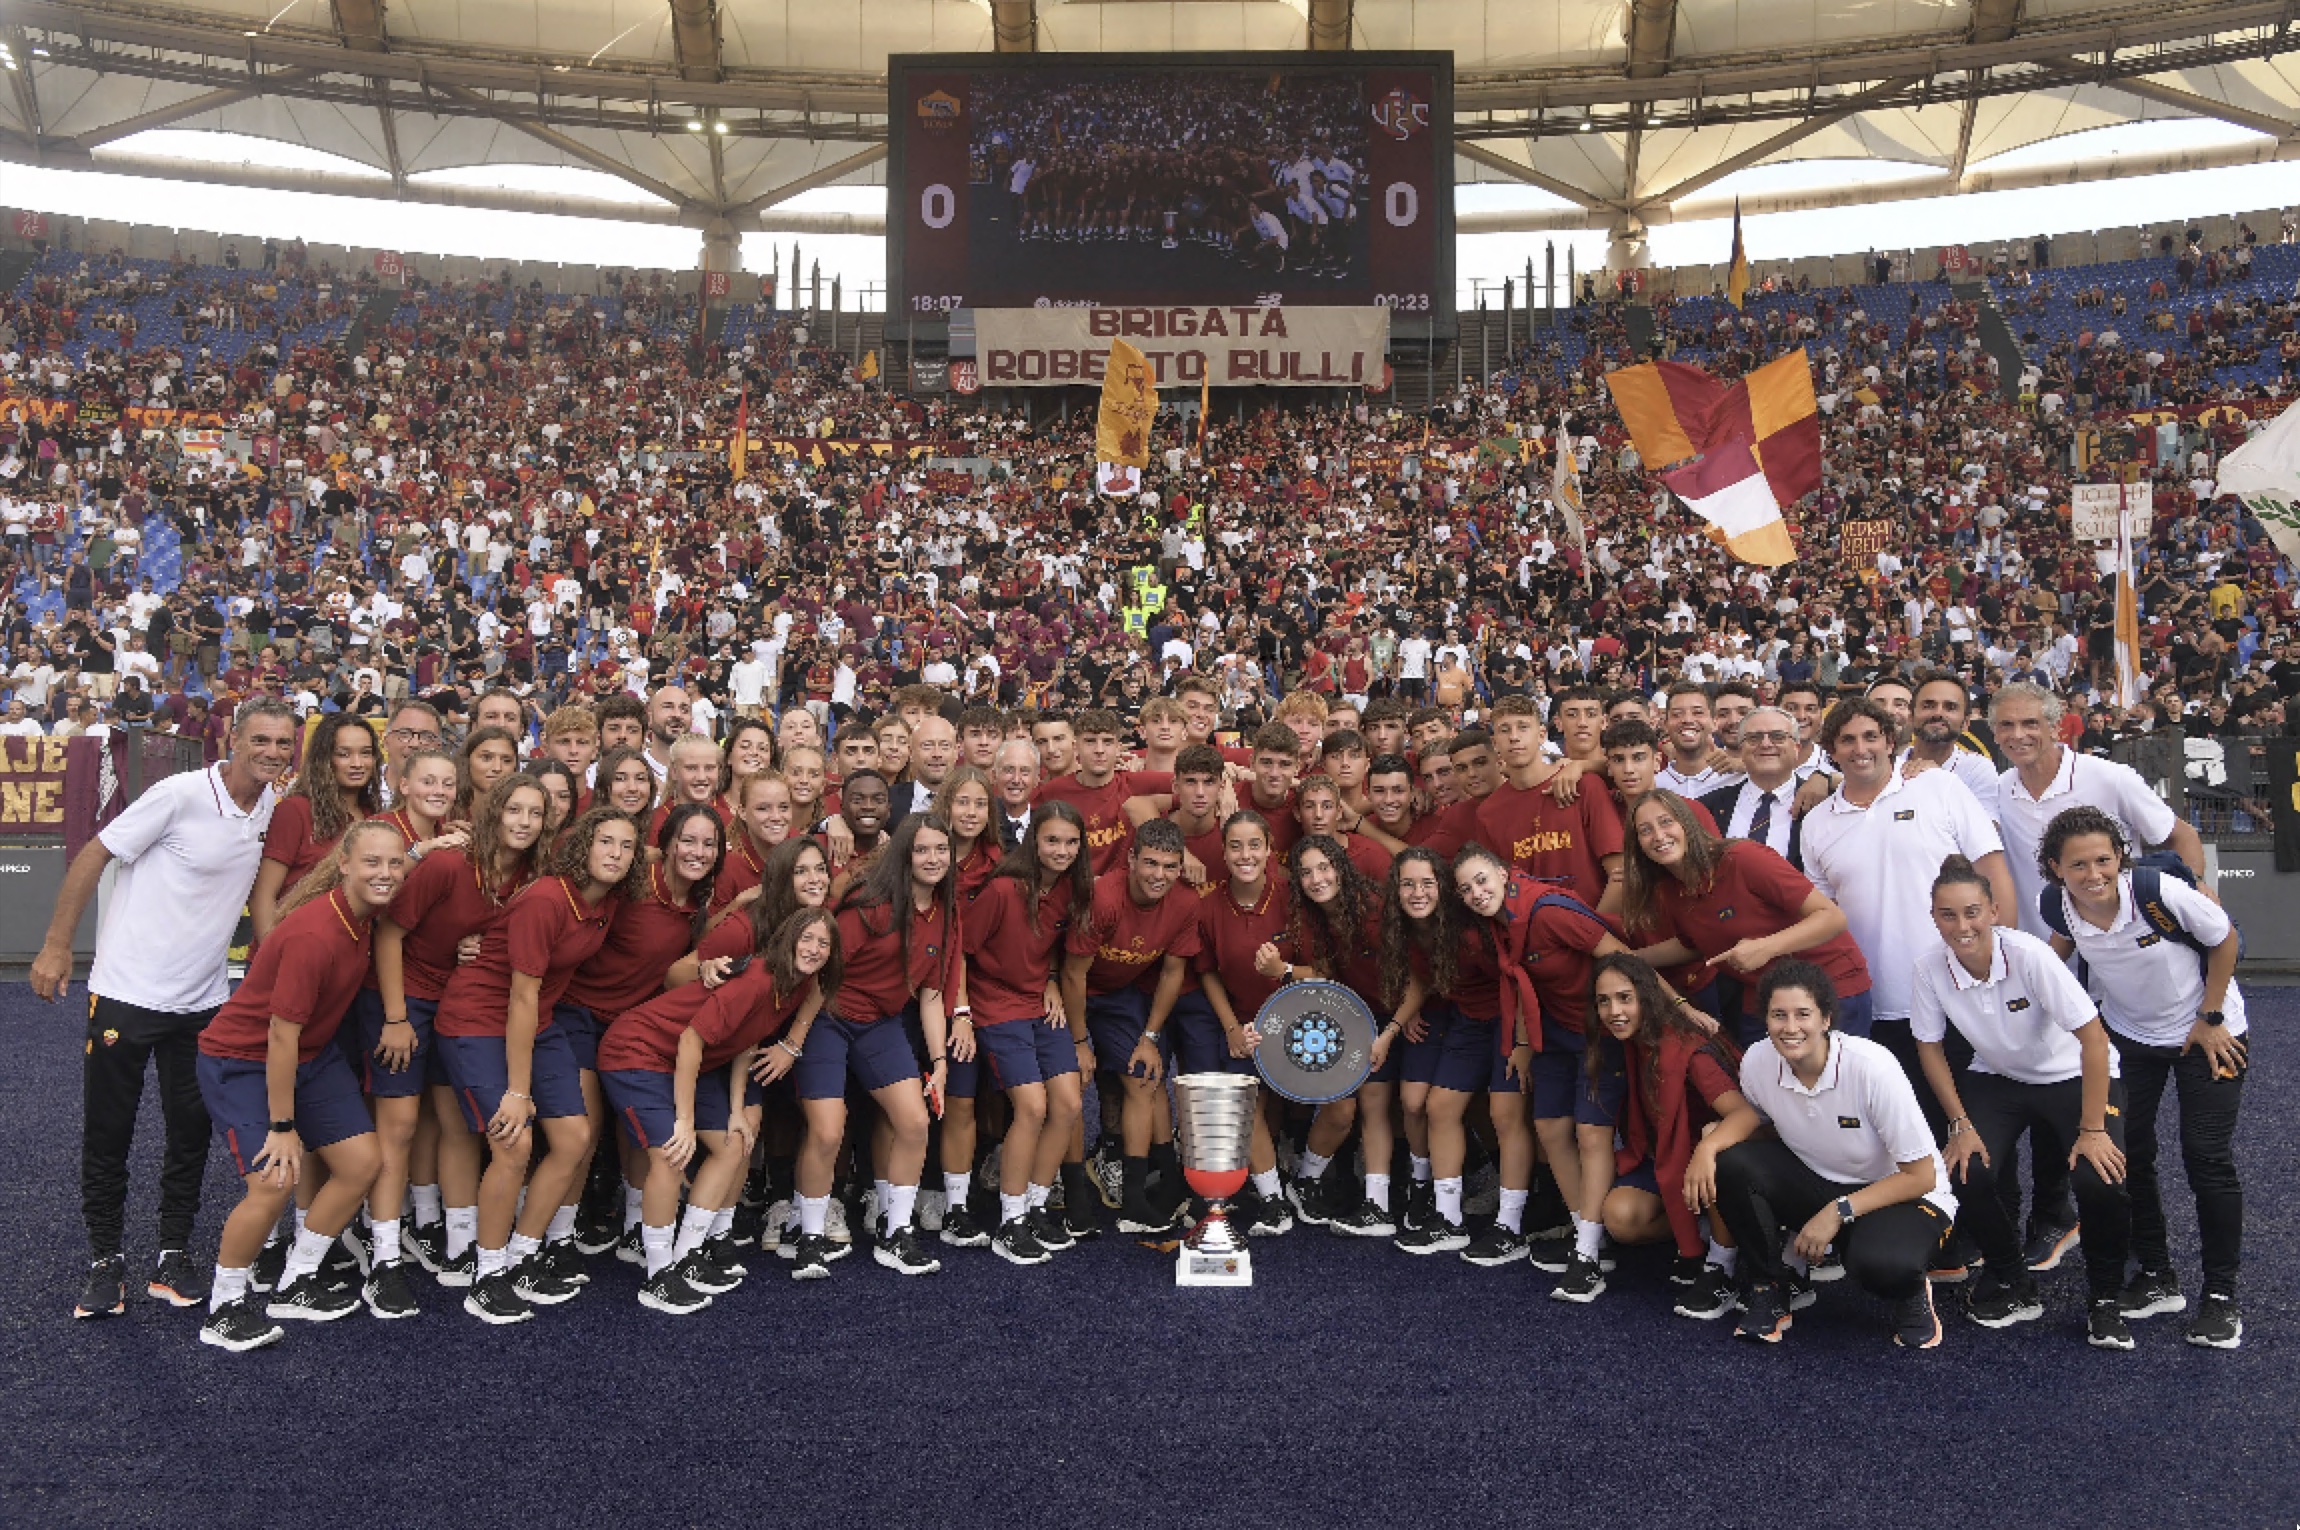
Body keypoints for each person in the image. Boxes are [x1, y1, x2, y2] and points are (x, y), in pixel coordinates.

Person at [32, 697, 296, 1321]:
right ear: (232, 738)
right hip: (126, 989)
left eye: (284, 744)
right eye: (261, 740)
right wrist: (56, 943)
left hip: (204, 1002)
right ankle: (105, 1261)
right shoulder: (179, 794)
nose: (272, 753)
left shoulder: (273, 810)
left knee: (190, 1134)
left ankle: (172, 1255)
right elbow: (97, 853)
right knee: (109, 1133)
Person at [193, 819, 408, 1351]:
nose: (385, 873)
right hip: (242, 1059)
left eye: (395, 863)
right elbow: (279, 1036)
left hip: (310, 1057)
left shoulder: (364, 914)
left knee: (361, 1162)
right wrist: (283, 1125)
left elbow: (298, 1042)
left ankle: (297, 1282)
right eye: (372, 863)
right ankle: (224, 1305)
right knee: (272, 1180)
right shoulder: (316, 933)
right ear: (344, 866)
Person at [2039, 806, 2247, 1349]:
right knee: (2130, 1154)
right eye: (2078, 864)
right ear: (2056, 868)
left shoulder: (2157, 892)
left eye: (2104, 860)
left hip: (2210, 1031)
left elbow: (2225, 939)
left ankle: (2221, 1299)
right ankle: (2157, 1276)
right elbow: (2051, 965)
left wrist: (2210, 1018)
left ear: (2120, 859)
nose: (2093, 874)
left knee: (2206, 1157)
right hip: (2130, 1039)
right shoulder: (2057, 907)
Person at [1910, 854, 2135, 1349]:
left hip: (2073, 1073)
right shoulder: (1928, 968)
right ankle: (2014, 1280)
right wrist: (1959, 1123)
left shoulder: (2030, 955)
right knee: (1965, 1167)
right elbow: (1929, 1048)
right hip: (2001, 1078)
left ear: (1992, 911)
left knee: (2098, 1178)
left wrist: (2093, 1129)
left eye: (1972, 912)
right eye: (1948, 915)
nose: (1962, 925)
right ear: (1934, 918)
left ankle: (2105, 1300)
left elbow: (2094, 1040)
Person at [431, 806, 642, 1323]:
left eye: (627, 845)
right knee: (514, 1140)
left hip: (537, 1020)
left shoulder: (607, 901)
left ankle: (524, 1256)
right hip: (479, 1018)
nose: (616, 853)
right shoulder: (547, 899)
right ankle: (487, 1274)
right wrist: (518, 1091)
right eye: (605, 842)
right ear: (582, 848)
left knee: (573, 1138)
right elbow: (519, 999)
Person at [358, 772, 552, 1310]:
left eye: (535, 814)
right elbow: (389, 932)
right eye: (514, 810)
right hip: (406, 999)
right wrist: (396, 1017)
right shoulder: (448, 863)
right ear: (493, 813)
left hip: (459, 1002)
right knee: (396, 1128)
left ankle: (459, 1245)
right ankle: (383, 1261)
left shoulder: (530, 875)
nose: (524, 822)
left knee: (455, 1125)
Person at [1704, 961, 1957, 1350]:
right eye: (1778, 1015)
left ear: (1825, 1019)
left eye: (1803, 1014)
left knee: (1882, 1266)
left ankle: (1910, 1290)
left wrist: (1836, 1212)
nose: (1791, 1028)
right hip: (1820, 1180)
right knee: (1732, 1162)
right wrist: (1709, 1146)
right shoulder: (1757, 1062)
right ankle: (1771, 1284)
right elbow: (1759, 1126)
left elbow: (1921, 1176)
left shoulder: (1871, 1066)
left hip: (1901, 1193)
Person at [598, 906, 837, 1315]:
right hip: (637, 1052)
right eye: (807, 938)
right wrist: (686, 1120)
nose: (813, 949)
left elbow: (746, 1041)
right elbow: (691, 1040)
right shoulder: (759, 978)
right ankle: (658, 1276)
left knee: (733, 1144)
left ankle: (688, 1254)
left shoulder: (797, 984)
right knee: (672, 1153)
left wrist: (735, 1109)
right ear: (788, 939)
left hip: (694, 1063)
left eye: (824, 943)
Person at [789, 812, 960, 1280]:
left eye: (941, 850)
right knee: (826, 1131)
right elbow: (824, 972)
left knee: (913, 1122)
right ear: (904, 853)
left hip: (881, 1024)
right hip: (828, 1017)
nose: (932, 859)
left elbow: (930, 994)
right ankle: (808, 1237)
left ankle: (896, 1232)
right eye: (921, 849)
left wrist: (939, 1060)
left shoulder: (946, 912)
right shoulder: (871, 904)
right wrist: (797, 1036)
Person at [1619, 790, 1871, 1045]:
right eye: (1645, 830)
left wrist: (1766, 947)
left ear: (1687, 823)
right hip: (1765, 999)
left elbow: (1832, 917)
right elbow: (1692, 945)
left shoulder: (1743, 859)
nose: (1659, 836)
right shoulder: (1670, 888)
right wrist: (1626, 958)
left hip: (1829, 990)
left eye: (1666, 822)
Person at [962, 800, 1095, 1263]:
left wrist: (1054, 982)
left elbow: (1056, 951)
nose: (1062, 850)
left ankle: (1037, 1206)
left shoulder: (1071, 890)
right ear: (1034, 840)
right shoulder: (1001, 890)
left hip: (1041, 1002)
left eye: (1071, 842)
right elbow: (962, 950)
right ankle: (1010, 1220)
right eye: (1052, 840)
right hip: (996, 1005)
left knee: (1069, 1102)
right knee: (1033, 1106)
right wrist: (962, 1011)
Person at [1589, 952, 1752, 1320]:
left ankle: (1720, 1264)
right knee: (1621, 1218)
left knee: (1717, 1149)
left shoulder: (1688, 1047)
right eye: (1604, 1000)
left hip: (1712, 1158)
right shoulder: (1633, 1040)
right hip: (1667, 1157)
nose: (1614, 1010)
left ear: (1648, 996)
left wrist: (1706, 1150)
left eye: (1625, 998)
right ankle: (1712, 1227)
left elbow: (1745, 1115)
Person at [1059, 817, 1198, 1235]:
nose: (1159, 875)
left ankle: (1135, 1199)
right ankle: (1075, 1193)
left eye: (1170, 867)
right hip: (1076, 992)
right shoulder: (1104, 897)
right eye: (1150, 864)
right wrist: (1080, 1041)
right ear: (1132, 859)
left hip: (1122, 996)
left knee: (1143, 1078)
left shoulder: (1186, 903)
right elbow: (1072, 976)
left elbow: (1173, 973)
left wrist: (1150, 1037)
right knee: (1072, 1083)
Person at [1185, 810, 1295, 1234]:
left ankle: (1311, 1178)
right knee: (1242, 1105)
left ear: (1269, 849)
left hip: (1296, 1020)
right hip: (1244, 1022)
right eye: (1235, 846)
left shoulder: (1291, 895)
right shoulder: (1208, 906)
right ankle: (1274, 1201)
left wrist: (1283, 970)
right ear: (1223, 852)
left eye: (1255, 845)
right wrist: (1232, 1028)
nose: (1245, 854)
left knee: (1338, 1107)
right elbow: (1208, 971)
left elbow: (1323, 967)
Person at [250, 712, 380, 942]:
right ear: (325, 759)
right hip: (292, 954)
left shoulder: (374, 816)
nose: (357, 763)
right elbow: (263, 895)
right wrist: (273, 957)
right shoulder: (296, 810)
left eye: (366, 753)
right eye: (344, 754)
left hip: (345, 959)